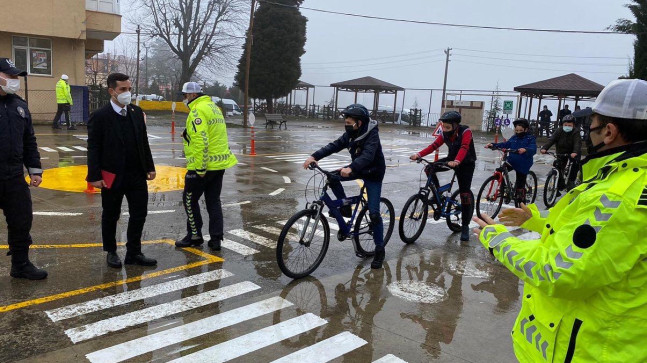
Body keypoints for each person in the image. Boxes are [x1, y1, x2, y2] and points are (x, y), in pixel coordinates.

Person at [473, 79, 647, 362]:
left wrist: (498, 239)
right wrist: (536, 221)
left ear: (610, 132)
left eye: (592, 124)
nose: (586, 130)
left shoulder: (619, 197)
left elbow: (558, 271)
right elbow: (596, 239)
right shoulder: (626, 180)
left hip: (589, 350)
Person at [303, 104, 387, 269]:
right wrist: (314, 156)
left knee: (375, 214)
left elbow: (368, 156)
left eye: (349, 122)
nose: (346, 124)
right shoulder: (350, 134)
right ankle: (346, 208)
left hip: (373, 173)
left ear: (359, 123)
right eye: (345, 122)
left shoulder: (372, 135)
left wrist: (351, 168)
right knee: (332, 178)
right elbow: (333, 145)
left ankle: (379, 249)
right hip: (357, 167)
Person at [87, 73, 157, 268]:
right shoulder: (100, 116)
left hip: (136, 174)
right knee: (111, 214)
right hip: (112, 175)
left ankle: (134, 252)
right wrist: (94, 176)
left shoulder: (136, 112)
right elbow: (93, 147)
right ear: (112, 91)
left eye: (129, 89)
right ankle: (111, 252)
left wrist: (149, 167)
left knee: (139, 213)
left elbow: (143, 142)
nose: (127, 93)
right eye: (122, 90)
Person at [175, 82, 237, 250]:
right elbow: (215, 134)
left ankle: (194, 236)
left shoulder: (197, 110)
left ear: (192, 95)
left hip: (203, 166)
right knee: (213, 201)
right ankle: (216, 239)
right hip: (219, 165)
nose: (184, 99)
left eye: (185, 95)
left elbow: (201, 140)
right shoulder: (214, 108)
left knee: (189, 200)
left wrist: (200, 168)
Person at [0, 58, 47, 280]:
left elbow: (29, 140)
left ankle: (20, 265)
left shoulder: (19, 105)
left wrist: (35, 169)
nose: (15, 81)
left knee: (21, 221)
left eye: (16, 77)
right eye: (10, 76)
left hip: (13, 177)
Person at [409, 111, 476, 241]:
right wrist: (419, 155)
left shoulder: (465, 131)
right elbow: (434, 145)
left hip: (466, 163)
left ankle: (465, 226)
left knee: (465, 194)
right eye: (443, 127)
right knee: (429, 168)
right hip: (451, 160)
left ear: (455, 125)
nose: (445, 130)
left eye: (447, 127)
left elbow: (464, 147)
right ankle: (438, 195)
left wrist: (457, 161)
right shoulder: (445, 133)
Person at [486, 118, 537, 206]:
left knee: (520, 185)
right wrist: (493, 145)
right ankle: (504, 189)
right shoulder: (514, 138)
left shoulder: (530, 138)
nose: (518, 132)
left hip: (524, 163)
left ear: (526, 129)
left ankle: (521, 204)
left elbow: (533, 148)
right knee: (501, 170)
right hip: (512, 160)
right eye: (516, 130)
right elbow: (505, 144)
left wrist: (525, 149)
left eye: (521, 130)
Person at [540, 114, 582, 192]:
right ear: (562, 124)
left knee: (575, 165)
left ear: (573, 125)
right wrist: (544, 148)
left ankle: (571, 182)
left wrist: (575, 152)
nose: (567, 126)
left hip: (573, 152)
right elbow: (551, 140)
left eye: (570, 125)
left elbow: (577, 143)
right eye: (565, 125)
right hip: (561, 151)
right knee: (557, 165)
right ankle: (559, 185)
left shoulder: (576, 132)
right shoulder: (559, 130)